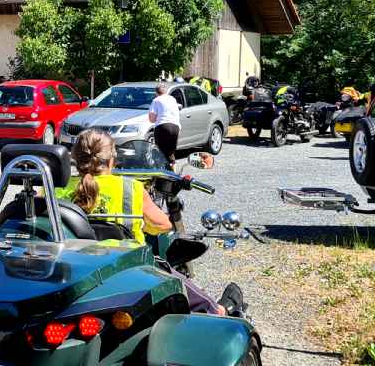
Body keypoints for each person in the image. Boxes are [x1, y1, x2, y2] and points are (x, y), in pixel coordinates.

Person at [59, 128, 244, 316]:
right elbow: (164, 225)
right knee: (180, 286)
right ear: (112, 159)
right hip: (129, 269)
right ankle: (219, 311)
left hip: (76, 269)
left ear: (76, 158)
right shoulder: (130, 188)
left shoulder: (59, 190)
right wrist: (144, 224)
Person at [148, 83, 180, 167]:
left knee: (161, 152)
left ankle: (162, 170)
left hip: (162, 127)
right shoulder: (173, 99)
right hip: (175, 127)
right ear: (166, 91)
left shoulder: (156, 100)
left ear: (156, 93)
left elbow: (152, 119)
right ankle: (172, 169)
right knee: (171, 152)